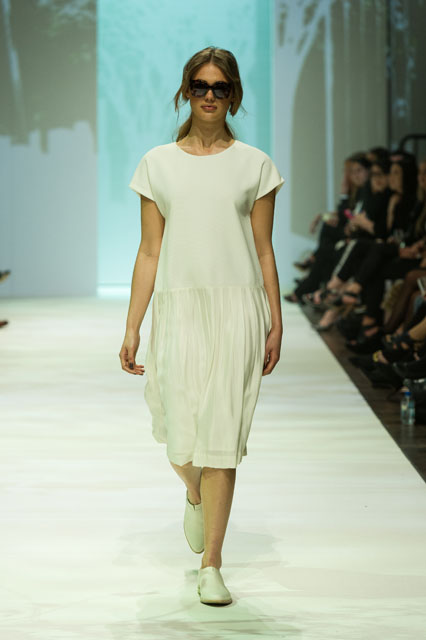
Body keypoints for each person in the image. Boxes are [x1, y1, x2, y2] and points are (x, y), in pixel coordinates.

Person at [118, 46, 284, 606]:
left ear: (234, 95)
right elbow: (149, 251)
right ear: (185, 92)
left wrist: (275, 320)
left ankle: (212, 563)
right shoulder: (157, 163)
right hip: (179, 309)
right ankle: (194, 493)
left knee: (222, 439)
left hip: (238, 310)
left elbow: (264, 249)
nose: (209, 95)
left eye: (220, 87)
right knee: (178, 437)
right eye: (200, 85)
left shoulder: (255, 165)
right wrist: (133, 326)